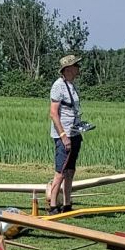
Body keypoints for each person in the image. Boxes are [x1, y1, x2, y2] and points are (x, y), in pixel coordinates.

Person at [48, 54, 86, 214]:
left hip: (74, 132)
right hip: (64, 134)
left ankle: (67, 203)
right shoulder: (58, 86)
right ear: (68, 69)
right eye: (76, 65)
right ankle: (52, 206)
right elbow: (53, 113)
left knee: (70, 170)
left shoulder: (72, 85)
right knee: (60, 171)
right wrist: (63, 135)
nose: (79, 68)